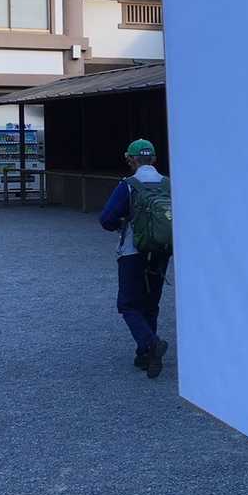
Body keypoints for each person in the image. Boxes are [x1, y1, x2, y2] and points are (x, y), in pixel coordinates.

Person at [100, 138, 171, 378]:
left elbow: (106, 219)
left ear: (130, 159)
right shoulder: (168, 184)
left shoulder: (128, 185)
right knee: (151, 303)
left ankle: (151, 344)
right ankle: (145, 355)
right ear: (154, 159)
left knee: (128, 304)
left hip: (133, 252)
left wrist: (122, 224)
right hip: (161, 250)